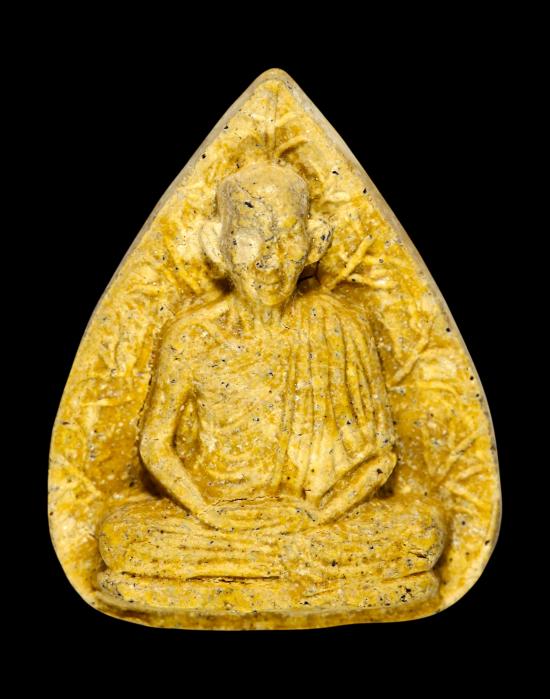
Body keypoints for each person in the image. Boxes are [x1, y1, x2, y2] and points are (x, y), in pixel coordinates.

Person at [98, 163, 445, 609]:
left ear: (314, 242)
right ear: (217, 244)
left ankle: (242, 583)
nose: (269, 259)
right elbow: (154, 446)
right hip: (215, 522)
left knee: (419, 533)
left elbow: (379, 459)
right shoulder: (192, 337)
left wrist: (318, 515)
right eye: (247, 239)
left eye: (288, 237)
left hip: (314, 521)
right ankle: (299, 584)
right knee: (123, 537)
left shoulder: (340, 328)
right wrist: (208, 513)